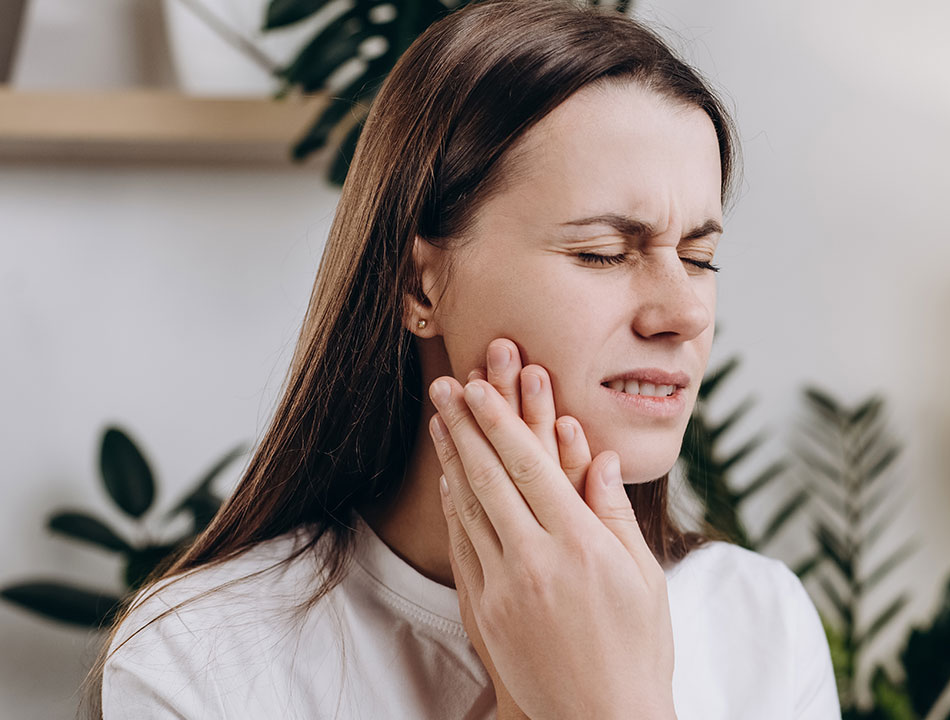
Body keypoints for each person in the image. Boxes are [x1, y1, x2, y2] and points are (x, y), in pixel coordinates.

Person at [93, 1, 840, 718]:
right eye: (604, 253)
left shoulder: (759, 622)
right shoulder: (200, 655)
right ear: (420, 282)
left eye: (699, 257)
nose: (684, 315)